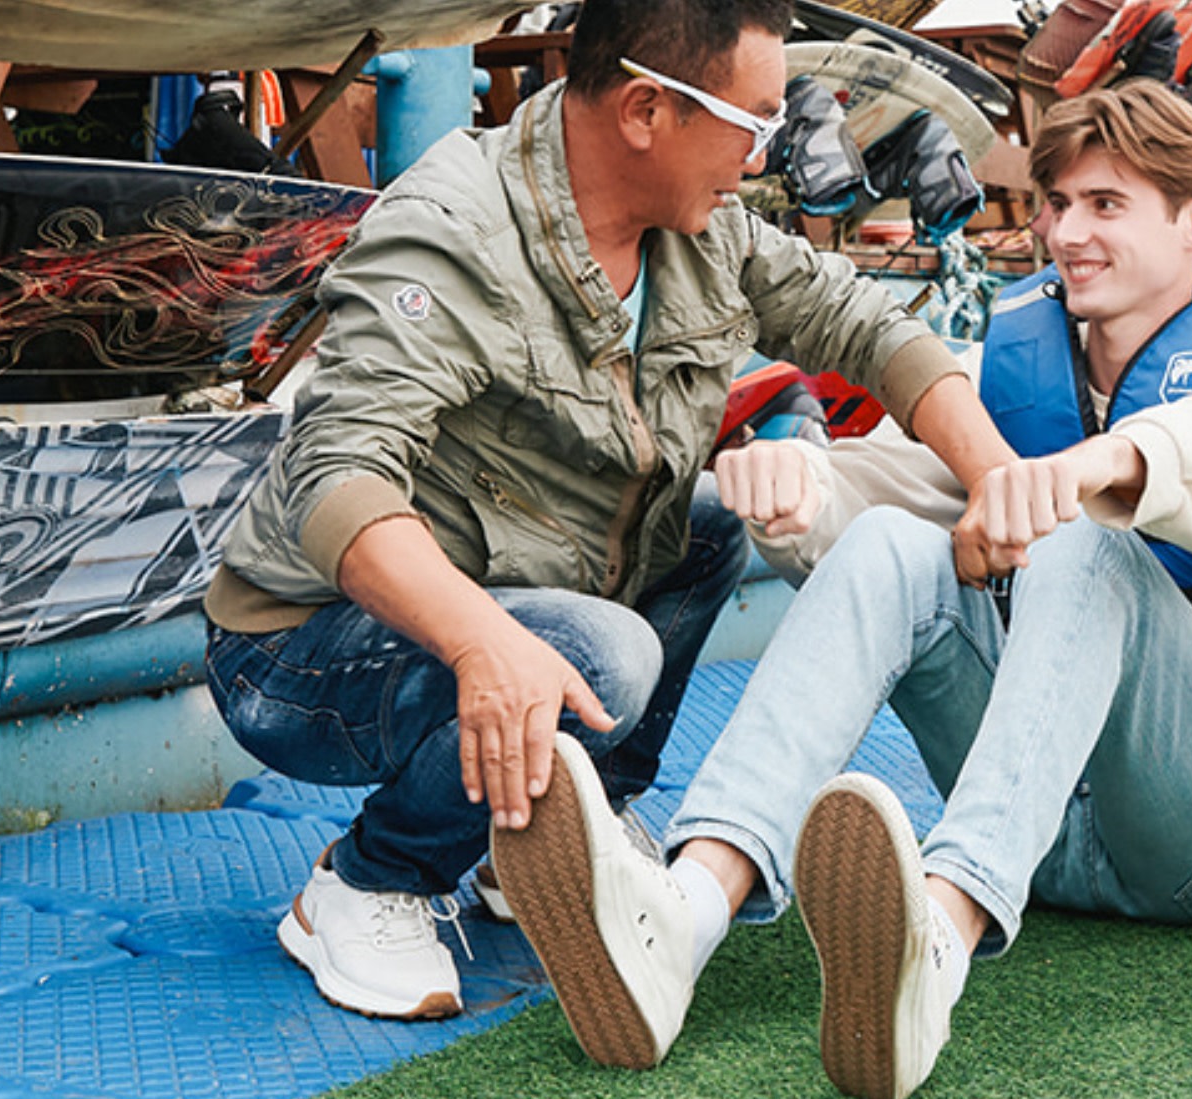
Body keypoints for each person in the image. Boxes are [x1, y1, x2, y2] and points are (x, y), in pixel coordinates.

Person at [490, 80, 1192, 1099]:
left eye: (1104, 205)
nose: (1064, 232)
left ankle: (939, 942)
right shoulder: (1009, 350)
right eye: (1055, 203)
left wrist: (1101, 466)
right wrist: (794, 486)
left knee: (1082, 547)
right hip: (1049, 832)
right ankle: (684, 912)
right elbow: (890, 483)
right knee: (881, 541)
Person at [202, 0, 1016, 1022]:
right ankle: (370, 880)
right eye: (753, 119)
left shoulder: (700, 228)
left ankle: (556, 829)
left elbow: (858, 322)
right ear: (646, 109)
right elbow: (335, 479)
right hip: (304, 647)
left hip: (517, 593)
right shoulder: (452, 230)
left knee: (706, 525)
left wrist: (992, 475)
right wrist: (484, 643)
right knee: (601, 654)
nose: (765, 149)